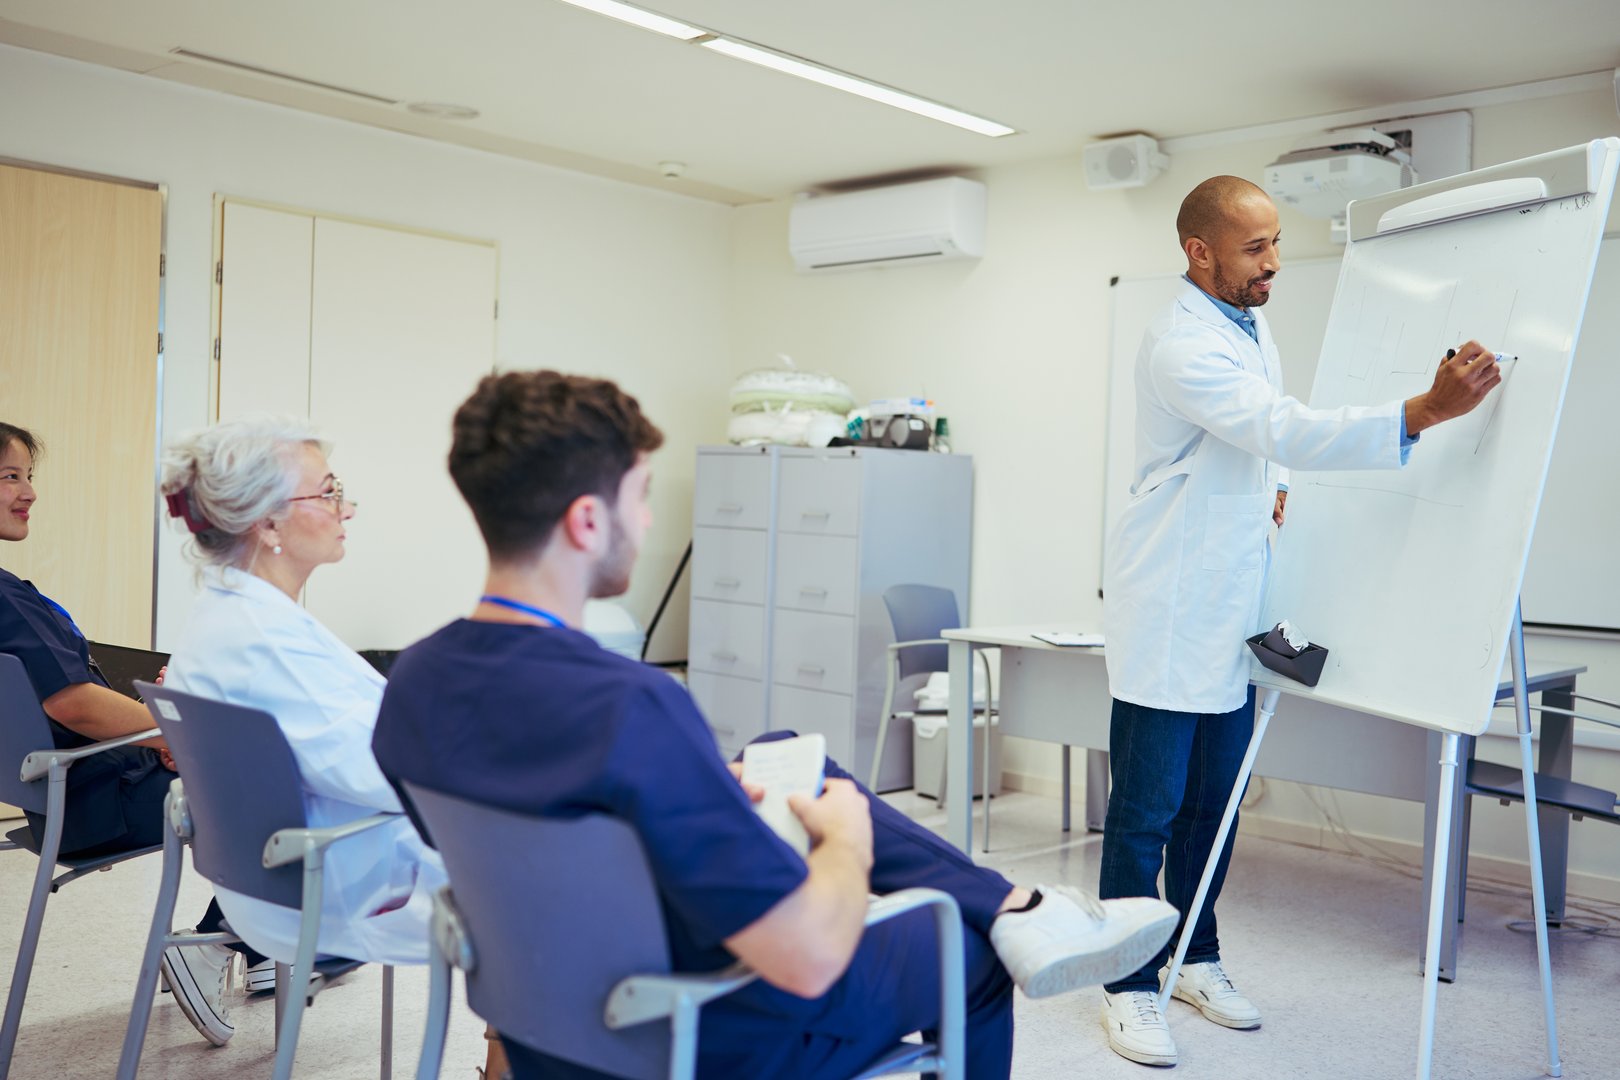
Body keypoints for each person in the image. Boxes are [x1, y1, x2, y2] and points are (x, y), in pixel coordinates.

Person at [372, 370, 1181, 1080]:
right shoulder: (633, 707)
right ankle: (1012, 914)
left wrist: (697, 798)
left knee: (779, 755)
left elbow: (520, 861)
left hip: (551, 1014)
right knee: (968, 951)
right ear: (587, 521)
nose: (648, 523)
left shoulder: (413, 682)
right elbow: (807, 956)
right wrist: (846, 841)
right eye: (641, 498)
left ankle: (1017, 902)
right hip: (700, 1028)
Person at [1096, 176, 1503, 1066]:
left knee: (1216, 806)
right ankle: (1128, 983)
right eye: (1256, 248)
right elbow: (1276, 425)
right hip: (1173, 607)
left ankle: (1195, 956)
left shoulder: (1246, 321)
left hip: (1234, 605)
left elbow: (1251, 448)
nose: (1274, 262)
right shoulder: (1178, 343)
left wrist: (1275, 492)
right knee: (1146, 812)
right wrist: (1421, 412)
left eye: (1276, 242)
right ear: (1199, 251)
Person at [157, 416, 497, 1064]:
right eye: (329, 492)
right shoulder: (262, 642)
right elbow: (391, 772)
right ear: (269, 521)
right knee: (575, 874)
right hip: (341, 879)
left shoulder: (237, 614)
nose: (348, 508)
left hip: (288, 874)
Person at [0, 421, 242, 1047]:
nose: (28, 492)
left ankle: (261, 945)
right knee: (262, 777)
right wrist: (177, 731)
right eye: (9, 477)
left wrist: (157, 721)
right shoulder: (7, 601)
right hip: (94, 803)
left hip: (58, 795)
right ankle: (219, 944)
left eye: (29, 476)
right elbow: (75, 704)